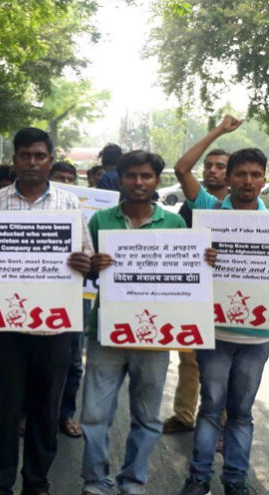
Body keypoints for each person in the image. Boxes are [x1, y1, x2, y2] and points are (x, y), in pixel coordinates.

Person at [0, 127, 93, 495]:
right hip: (5, 328)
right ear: (15, 160)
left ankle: (37, 482)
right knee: (5, 408)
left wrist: (85, 263)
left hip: (55, 329)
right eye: (25, 155)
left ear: (50, 160)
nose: (33, 162)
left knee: (45, 410)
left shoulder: (69, 204)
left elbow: (87, 259)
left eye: (40, 156)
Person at [81, 151, 214, 495]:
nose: (138, 182)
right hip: (106, 333)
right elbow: (85, 273)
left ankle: (133, 481)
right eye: (131, 176)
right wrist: (92, 265)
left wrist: (204, 260)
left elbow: (187, 275)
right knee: (94, 414)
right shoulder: (100, 221)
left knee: (147, 417)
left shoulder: (175, 223)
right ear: (120, 180)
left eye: (146, 176)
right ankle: (96, 481)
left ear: (156, 181)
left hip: (154, 337)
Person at [175, 115, 269, 495]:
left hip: (257, 338)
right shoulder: (208, 209)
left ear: (264, 179)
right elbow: (182, 169)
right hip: (214, 332)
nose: (248, 181)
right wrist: (218, 131)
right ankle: (198, 479)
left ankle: (234, 481)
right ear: (228, 178)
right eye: (241, 174)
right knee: (211, 408)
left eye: (256, 174)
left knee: (242, 414)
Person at [163, 148, 229, 435]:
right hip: (193, 291)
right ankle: (184, 414)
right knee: (189, 357)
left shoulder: (244, 210)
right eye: (209, 165)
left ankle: (221, 420)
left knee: (223, 361)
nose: (212, 170)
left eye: (220, 166)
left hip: (227, 293)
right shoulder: (195, 204)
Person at [48, 164, 86, 439]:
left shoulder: (76, 207)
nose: (65, 182)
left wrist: (88, 262)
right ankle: (26, 414)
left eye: (70, 179)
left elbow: (90, 255)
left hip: (74, 296)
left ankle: (65, 414)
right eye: (60, 178)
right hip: (34, 294)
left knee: (73, 361)